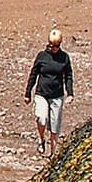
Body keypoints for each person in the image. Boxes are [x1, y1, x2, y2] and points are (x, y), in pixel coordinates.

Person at [25, 29, 75, 159]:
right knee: (41, 118)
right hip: (41, 93)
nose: (54, 48)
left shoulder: (64, 58)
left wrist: (70, 93)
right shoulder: (42, 56)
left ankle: (52, 153)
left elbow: (68, 76)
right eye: (52, 45)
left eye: (57, 46)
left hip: (57, 95)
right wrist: (28, 93)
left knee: (55, 125)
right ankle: (42, 140)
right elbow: (33, 74)